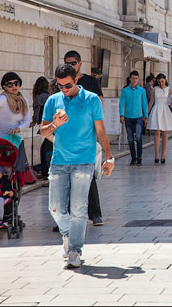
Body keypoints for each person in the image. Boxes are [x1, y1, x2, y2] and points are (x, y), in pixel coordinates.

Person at [40, 64, 115, 269]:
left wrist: (109, 158)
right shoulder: (52, 100)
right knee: (54, 208)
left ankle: (75, 250)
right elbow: (43, 132)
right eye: (59, 85)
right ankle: (67, 234)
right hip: (59, 161)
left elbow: (100, 131)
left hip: (84, 160)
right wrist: (55, 124)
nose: (63, 89)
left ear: (77, 80)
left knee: (79, 208)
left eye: (68, 85)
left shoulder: (91, 99)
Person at [63, 51, 104, 226]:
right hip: (66, 136)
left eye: (73, 63)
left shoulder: (90, 82)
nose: (70, 65)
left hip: (86, 136)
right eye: (67, 63)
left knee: (88, 174)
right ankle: (66, 216)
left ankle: (94, 213)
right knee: (64, 178)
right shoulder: (61, 82)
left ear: (80, 63)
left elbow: (99, 105)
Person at [0, 71, 32, 139]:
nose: (14, 86)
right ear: (4, 87)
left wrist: (18, 129)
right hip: (4, 141)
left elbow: (27, 121)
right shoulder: (3, 99)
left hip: (18, 140)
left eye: (16, 83)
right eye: (10, 84)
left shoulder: (23, 100)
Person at [119, 70, 148, 166]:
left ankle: (139, 157)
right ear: (130, 79)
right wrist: (121, 115)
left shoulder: (142, 91)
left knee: (139, 138)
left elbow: (144, 104)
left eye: (136, 78)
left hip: (138, 117)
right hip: (127, 117)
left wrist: (146, 116)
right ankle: (133, 158)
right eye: (133, 78)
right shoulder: (125, 90)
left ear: (138, 79)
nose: (135, 80)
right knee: (130, 139)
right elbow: (121, 103)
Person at [147, 73, 172, 164]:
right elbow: (151, 102)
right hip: (156, 109)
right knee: (157, 132)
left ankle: (163, 154)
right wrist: (146, 114)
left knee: (164, 133)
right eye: (159, 82)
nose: (161, 83)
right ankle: (156, 154)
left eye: (162, 81)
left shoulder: (169, 90)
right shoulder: (154, 90)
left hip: (165, 110)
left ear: (165, 80)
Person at [31, 76, 53, 178]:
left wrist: (35, 121)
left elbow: (37, 112)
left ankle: (46, 172)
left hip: (45, 125)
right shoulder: (49, 96)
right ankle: (46, 171)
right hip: (52, 124)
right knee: (46, 147)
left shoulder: (39, 98)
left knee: (46, 148)